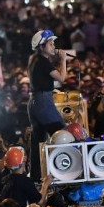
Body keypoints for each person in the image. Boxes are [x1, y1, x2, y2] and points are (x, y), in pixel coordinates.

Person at [27, 30, 68, 178]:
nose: (53, 46)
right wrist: (63, 60)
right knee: (62, 135)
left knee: (38, 141)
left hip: (34, 102)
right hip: (43, 102)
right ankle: (65, 171)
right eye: (50, 44)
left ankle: (37, 176)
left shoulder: (34, 59)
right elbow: (62, 78)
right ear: (41, 46)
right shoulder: (43, 62)